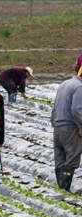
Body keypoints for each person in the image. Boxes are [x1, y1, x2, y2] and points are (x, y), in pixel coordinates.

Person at [51, 56, 82, 192]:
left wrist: (54, 122)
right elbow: (76, 109)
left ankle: (61, 190)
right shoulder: (79, 87)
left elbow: (54, 107)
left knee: (60, 159)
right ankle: (65, 189)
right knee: (72, 159)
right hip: (70, 128)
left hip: (58, 126)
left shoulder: (65, 84)